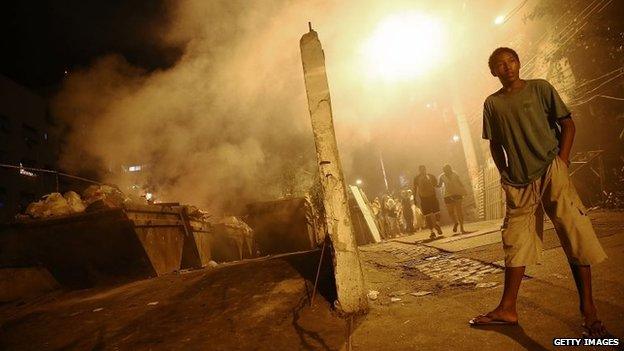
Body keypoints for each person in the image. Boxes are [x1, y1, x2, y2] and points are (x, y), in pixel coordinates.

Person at [470, 47, 608, 338]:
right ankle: (507, 309)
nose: (507, 67)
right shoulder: (492, 104)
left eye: (511, 61)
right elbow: (495, 143)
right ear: (494, 72)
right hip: (518, 181)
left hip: (551, 169)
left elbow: (567, 124)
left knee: (574, 235)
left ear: (519, 63)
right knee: (515, 241)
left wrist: (563, 161)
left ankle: (590, 312)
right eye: (499, 65)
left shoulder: (540, 88)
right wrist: (504, 172)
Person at [413, 165, 442, 239]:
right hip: (432, 197)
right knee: (437, 213)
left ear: (419, 170)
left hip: (424, 199)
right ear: (425, 169)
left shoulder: (416, 178)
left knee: (428, 216)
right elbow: (437, 185)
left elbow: (414, 189)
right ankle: (437, 224)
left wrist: (414, 199)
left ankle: (432, 232)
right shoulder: (431, 176)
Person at [438, 164, 468, 234]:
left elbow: (460, 183)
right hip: (447, 195)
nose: (446, 172)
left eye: (448, 170)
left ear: (450, 169)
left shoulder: (455, 175)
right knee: (450, 212)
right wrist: (433, 185)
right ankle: (456, 222)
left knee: (459, 211)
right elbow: (439, 185)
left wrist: (464, 191)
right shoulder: (442, 177)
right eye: (445, 170)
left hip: (457, 194)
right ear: (444, 171)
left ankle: (461, 228)